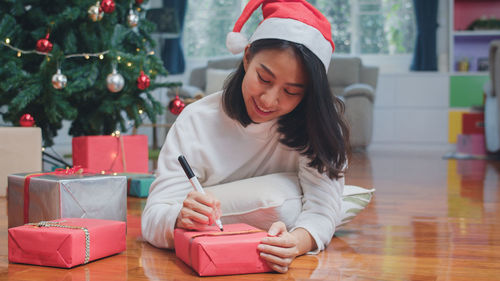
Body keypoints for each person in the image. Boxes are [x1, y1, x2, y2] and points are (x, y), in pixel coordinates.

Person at [142, 0, 350, 273]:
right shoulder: (197, 119)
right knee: (286, 200)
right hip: (202, 255)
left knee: (299, 202)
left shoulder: (317, 127)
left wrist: (296, 242)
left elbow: (322, 210)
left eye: (291, 92)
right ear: (247, 56)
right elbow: (152, 219)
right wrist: (180, 216)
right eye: (264, 78)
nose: (269, 100)